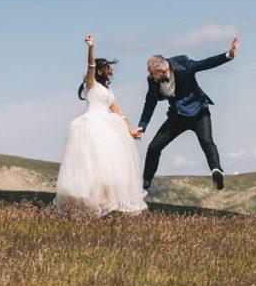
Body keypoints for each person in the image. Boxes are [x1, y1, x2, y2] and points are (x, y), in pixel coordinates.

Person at [54, 34, 147, 216]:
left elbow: (118, 111)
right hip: (92, 125)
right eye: (107, 68)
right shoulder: (92, 84)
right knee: (93, 165)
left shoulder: (109, 90)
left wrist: (130, 130)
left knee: (112, 166)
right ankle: (90, 204)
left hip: (110, 126)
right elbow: (90, 66)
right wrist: (91, 48)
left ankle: (108, 204)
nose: (110, 71)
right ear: (99, 71)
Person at [135, 36, 240, 191]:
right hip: (177, 116)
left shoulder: (183, 64)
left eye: (154, 74)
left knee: (207, 142)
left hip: (199, 111)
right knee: (154, 147)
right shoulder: (152, 80)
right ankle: (145, 184)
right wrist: (142, 126)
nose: (151, 77)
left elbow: (205, 63)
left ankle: (216, 171)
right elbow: (150, 103)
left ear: (164, 70)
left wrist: (228, 54)